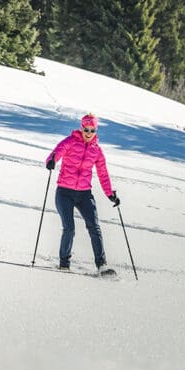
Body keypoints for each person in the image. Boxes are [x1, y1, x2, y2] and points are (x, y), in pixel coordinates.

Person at [45, 113, 119, 274]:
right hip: (64, 192)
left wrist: (109, 194)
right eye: (86, 129)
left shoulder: (97, 151)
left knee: (94, 227)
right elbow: (56, 152)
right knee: (69, 228)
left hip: (84, 194)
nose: (89, 132)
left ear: (95, 131)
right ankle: (64, 264)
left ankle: (102, 265)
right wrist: (51, 161)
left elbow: (103, 174)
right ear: (81, 128)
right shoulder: (70, 142)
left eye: (92, 130)